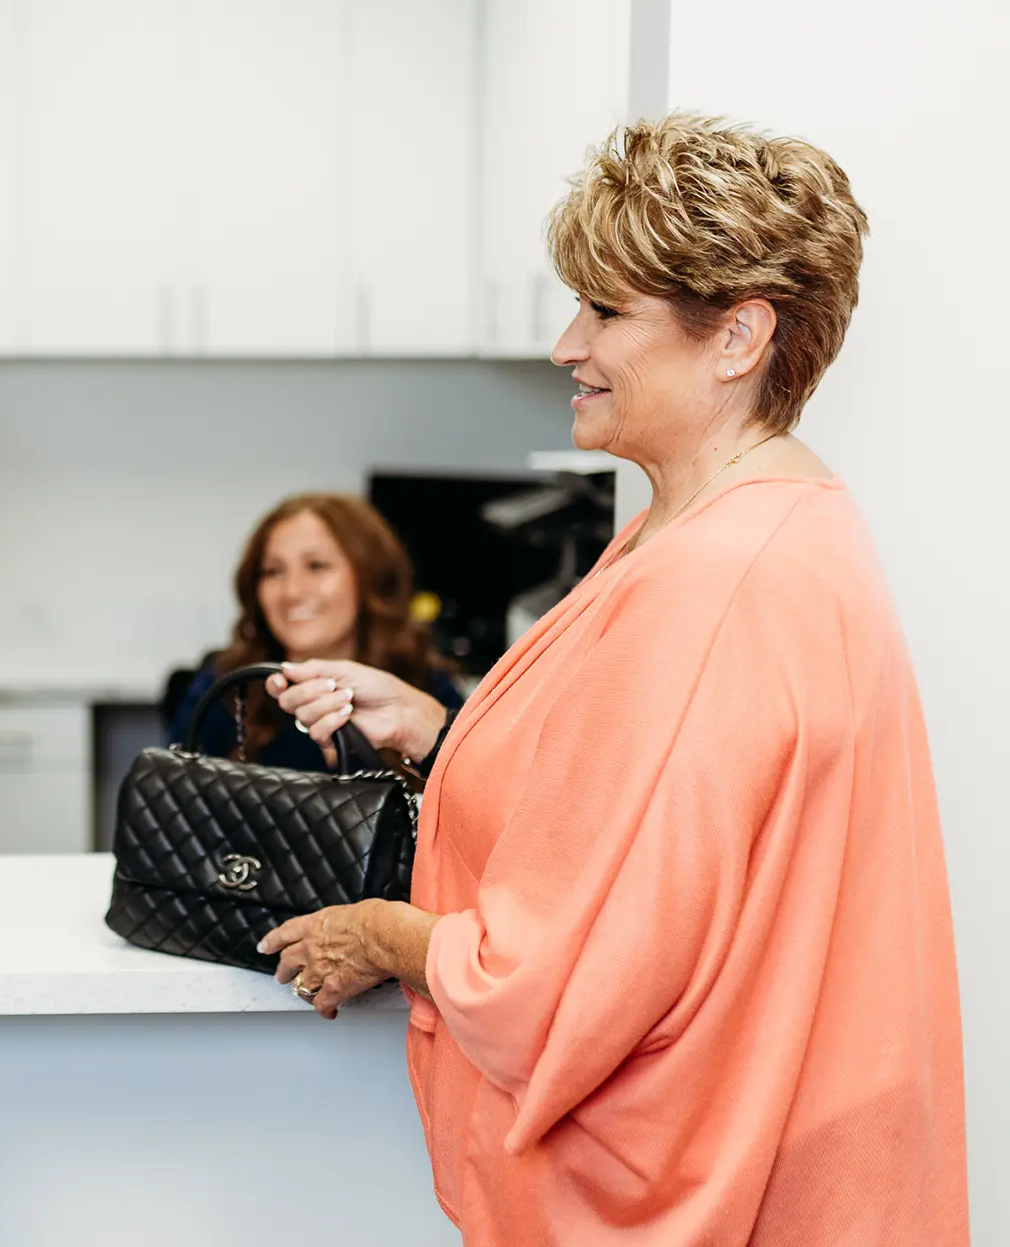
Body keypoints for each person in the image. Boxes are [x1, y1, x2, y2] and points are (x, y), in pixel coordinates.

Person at [259, 115, 967, 1244]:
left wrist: (384, 933)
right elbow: (644, 825)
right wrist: (451, 731)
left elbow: (557, 982)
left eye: (605, 311)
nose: (564, 346)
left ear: (737, 336)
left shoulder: (718, 579)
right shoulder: (737, 524)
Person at [168, 493, 461, 770]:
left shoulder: (426, 688)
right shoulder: (226, 690)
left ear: (371, 578)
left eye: (317, 566)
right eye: (273, 571)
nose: (293, 592)